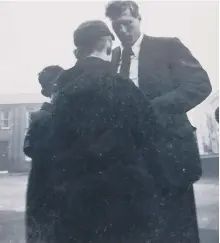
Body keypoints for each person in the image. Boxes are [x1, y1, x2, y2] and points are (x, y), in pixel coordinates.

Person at [25, 20, 167, 243]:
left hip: (77, 203)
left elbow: (52, 148)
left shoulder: (62, 92)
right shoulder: (126, 87)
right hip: (125, 200)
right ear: (109, 47)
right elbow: (151, 138)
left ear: (76, 51)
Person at [105, 1, 212, 242]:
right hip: (129, 159)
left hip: (169, 154)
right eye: (116, 26)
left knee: (176, 228)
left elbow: (200, 85)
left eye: (127, 24)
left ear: (139, 19)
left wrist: (153, 109)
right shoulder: (111, 59)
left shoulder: (168, 47)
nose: (122, 32)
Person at [24, 65, 64, 243]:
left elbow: (29, 148)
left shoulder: (41, 116)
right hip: (49, 185)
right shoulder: (42, 117)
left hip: (43, 185)